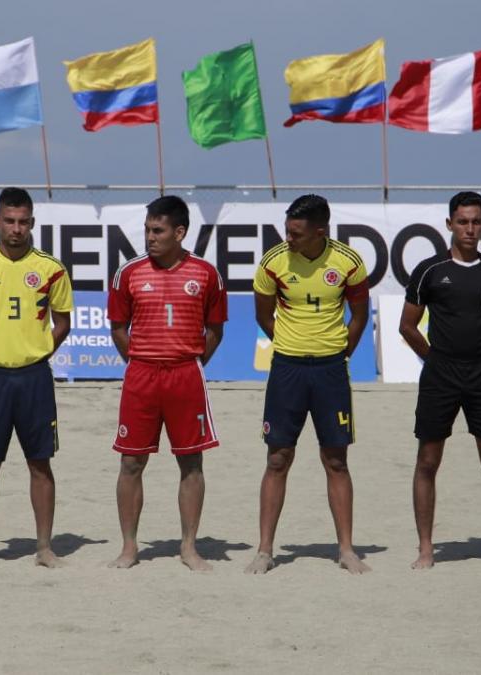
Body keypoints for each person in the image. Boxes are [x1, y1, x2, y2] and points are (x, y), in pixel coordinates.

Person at [245, 194, 371, 575]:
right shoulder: (274, 262)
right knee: (277, 458)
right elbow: (263, 315)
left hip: (331, 371)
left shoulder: (349, 263)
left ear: (320, 231)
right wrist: (293, 344)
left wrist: (337, 352)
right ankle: (265, 550)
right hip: (287, 369)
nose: (289, 239)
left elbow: (360, 317)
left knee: (336, 460)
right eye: (287, 231)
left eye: (296, 233)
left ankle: (347, 550)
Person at [398, 191, 481, 569]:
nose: (470, 228)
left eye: (476, 221)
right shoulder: (430, 270)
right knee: (428, 461)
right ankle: (425, 548)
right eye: (463, 221)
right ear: (449, 224)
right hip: (440, 374)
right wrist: (434, 357)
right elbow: (407, 325)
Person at [0, 188, 72, 571]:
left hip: (35, 377)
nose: (16, 229)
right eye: (9, 221)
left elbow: (63, 322)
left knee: (40, 463)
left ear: (32, 223)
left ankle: (44, 548)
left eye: (23, 222)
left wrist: (35, 351)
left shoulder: (52, 269)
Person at [107, 195, 226, 572]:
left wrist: (190, 362)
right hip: (141, 375)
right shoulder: (128, 273)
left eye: (157, 231)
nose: (150, 237)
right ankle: (129, 547)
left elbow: (216, 329)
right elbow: (118, 328)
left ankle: (189, 547)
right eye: (146, 230)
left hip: (185, 375)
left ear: (179, 232)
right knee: (131, 462)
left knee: (191, 461)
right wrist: (141, 360)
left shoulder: (206, 274)